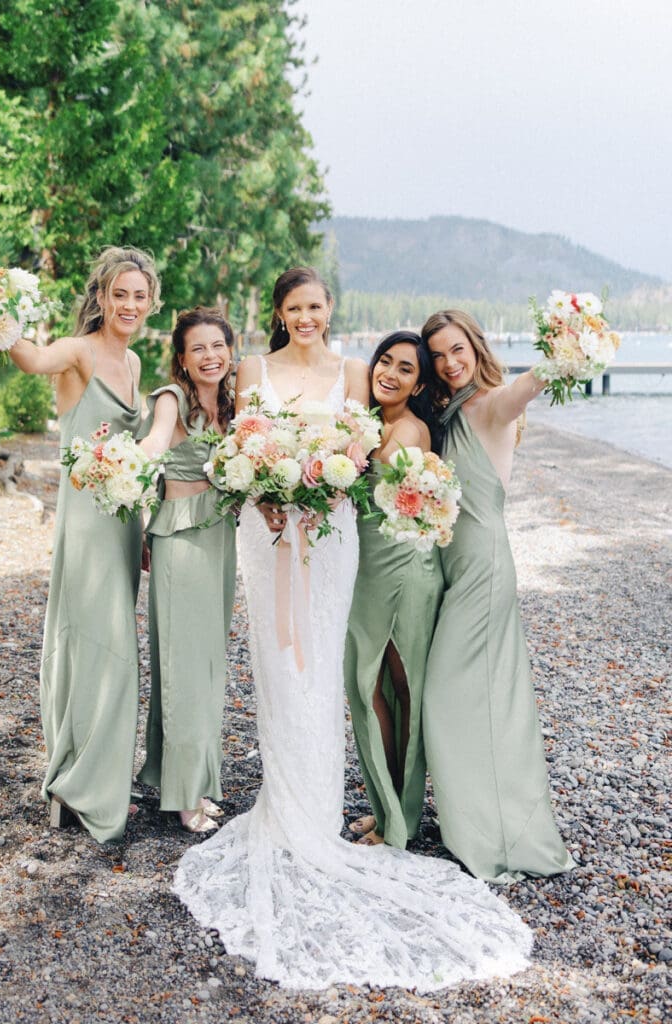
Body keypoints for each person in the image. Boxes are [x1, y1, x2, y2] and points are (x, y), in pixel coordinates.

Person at [171, 269, 533, 992]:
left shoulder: (355, 373)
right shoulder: (252, 368)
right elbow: (239, 444)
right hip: (264, 530)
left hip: (333, 533)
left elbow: (375, 447)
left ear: (329, 310)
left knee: (324, 670)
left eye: (316, 306)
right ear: (280, 313)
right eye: (294, 308)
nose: (306, 317)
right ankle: (285, 807)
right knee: (277, 668)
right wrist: (261, 492)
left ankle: (324, 810)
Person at [9, 245, 161, 843]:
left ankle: (78, 779)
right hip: (85, 523)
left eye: (139, 295)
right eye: (119, 293)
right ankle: (81, 783)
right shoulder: (76, 353)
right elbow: (29, 358)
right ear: (101, 297)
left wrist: (145, 527)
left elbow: (138, 456)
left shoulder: (137, 363)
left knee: (110, 640)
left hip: (122, 523)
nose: (128, 304)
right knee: (102, 647)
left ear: (151, 302)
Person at [421, 309, 576, 883]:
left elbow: (528, 388)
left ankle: (489, 830)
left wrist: (570, 344)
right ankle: (478, 817)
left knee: (450, 697)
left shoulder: (491, 404)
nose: (449, 362)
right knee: (476, 698)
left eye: (456, 348)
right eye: (437, 354)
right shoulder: (447, 412)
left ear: (476, 346)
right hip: (454, 566)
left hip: (484, 567)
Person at [135, 307, 237, 834]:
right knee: (183, 666)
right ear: (181, 358)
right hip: (180, 539)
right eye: (197, 348)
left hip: (220, 538)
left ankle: (180, 775)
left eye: (217, 345)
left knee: (207, 663)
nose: (209, 356)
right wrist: (134, 460)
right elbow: (155, 442)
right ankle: (182, 793)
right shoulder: (172, 399)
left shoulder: (233, 403)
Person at [344, 330, 444, 849]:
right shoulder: (368, 420)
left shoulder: (407, 431)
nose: (391, 373)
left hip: (403, 569)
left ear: (418, 382)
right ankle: (384, 806)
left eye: (406, 369)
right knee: (371, 688)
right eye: (385, 361)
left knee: (402, 689)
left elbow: (396, 498)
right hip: (364, 570)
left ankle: (400, 817)